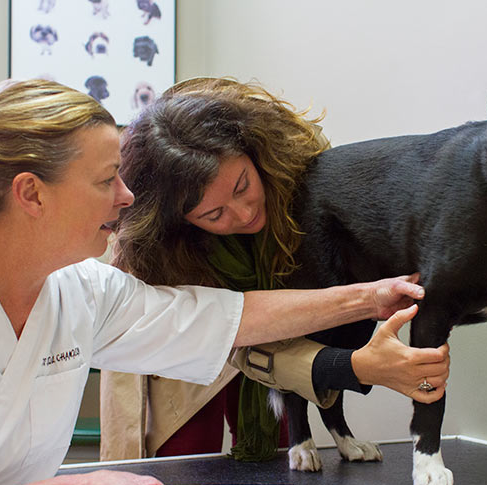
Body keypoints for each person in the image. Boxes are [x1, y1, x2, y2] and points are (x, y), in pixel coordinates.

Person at [0, 79, 448, 485]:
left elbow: (221, 318)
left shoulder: (81, 289)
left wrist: (370, 297)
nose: (126, 196)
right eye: (103, 179)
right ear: (31, 194)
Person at [100, 77, 451, 464]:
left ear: (255, 153)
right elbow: (231, 333)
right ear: (181, 224)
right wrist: (353, 367)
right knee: (183, 464)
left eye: (243, 186)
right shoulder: (164, 252)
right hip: (184, 343)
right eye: (214, 214)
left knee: (282, 452)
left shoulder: (302, 165)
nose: (245, 213)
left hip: (284, 323)